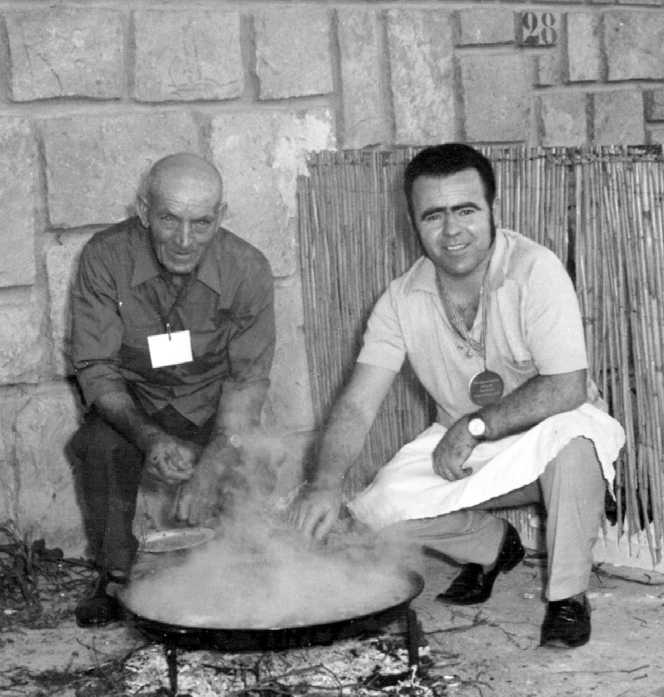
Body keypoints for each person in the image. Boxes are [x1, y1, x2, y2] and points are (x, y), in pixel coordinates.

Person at [291, 143, 625, 650]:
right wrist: (323, 484)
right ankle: (493, 546)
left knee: (578, 441)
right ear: (412, 222)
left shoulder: (535, 269)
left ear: (493, 210)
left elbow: (566, 387)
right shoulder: (400, 300)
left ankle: (568, 597)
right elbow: (358, 405)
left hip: (548, 431)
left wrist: (475, 426)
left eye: (466, 210)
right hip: (465, 448)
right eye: (434, 215)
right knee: (373, 512)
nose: (452, 231)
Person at [69, 153, 275, 627]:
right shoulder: (105, 256)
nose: (184, 241)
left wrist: (213, 463)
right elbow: (96, 368)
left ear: (220, 216)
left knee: (256, 455)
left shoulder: (248, 268)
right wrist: (149, 438)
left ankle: (239, 564)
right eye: (169, 219)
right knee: (97, 445)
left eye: (201, 223)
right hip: (134, 403)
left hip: (211, 405)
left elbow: (248, 381)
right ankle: (114, 575)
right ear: (144, 211)